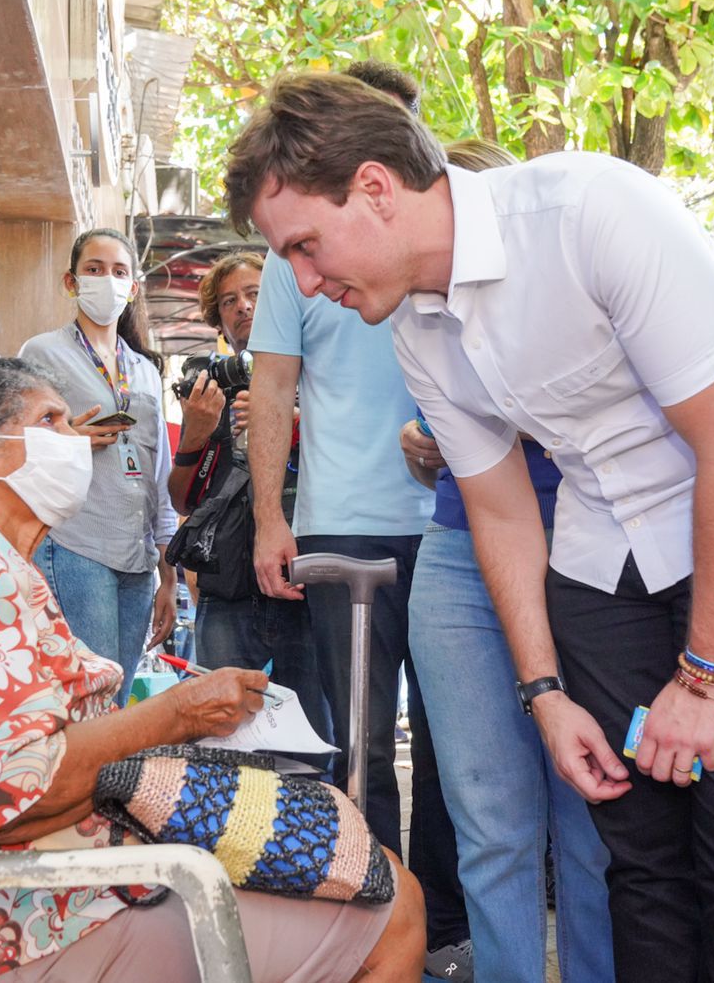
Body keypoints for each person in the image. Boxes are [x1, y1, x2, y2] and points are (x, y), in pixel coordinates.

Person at [228, 71, 714, 982]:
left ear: (374, 187)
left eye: (306, 247)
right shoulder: (417, 329)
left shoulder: (592, 210)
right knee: (634, 843)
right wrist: (546, 695)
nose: (305, 282)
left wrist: (708, 680)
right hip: (607, 547)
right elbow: (502, 507)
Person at [0, 357, 424, 981]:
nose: (75, 439)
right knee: (398, 907)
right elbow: (4, 798)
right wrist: (175, 715)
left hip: (56, 890)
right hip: (24, 924)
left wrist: (180, 722)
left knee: (364, 865)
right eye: (50, 420)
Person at [242, 62, 470, 978]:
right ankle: (374, 923)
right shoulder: (293, 252)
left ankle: (446, 929)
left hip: (459, 520)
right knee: (365, 743)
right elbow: (273, 383)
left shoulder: (454, 241)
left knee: (461, 744)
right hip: (342, 524)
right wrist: (271, 516)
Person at [399, 137, 614, 983]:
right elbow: (473, 453)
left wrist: (487, 426)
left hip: (588, 549)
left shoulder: (576, 270)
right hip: (459, 554)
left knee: (592, 827)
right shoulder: (419, 318)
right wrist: (437, 445)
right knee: (491, 827)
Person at [168, 249, 332, 764]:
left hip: (301, 581)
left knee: (312, 741)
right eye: (230, 302)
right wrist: (196, 432)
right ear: (219, 323)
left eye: (256, 294)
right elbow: (183, 500)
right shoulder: (209, 388)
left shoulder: (323, 378)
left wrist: (291, 418)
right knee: (221, 740)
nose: (244, 308)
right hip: (228, 590)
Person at [20, 229, 178, 702]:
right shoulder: (42, 353)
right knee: (91, 695)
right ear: (71, 282)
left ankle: (104, 777)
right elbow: (15, 443)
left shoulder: (146, 371)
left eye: (118, 272)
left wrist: (168, 575)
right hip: (75, 544)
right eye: (93, 270)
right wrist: (68, 439)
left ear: (132, 289)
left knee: (119, 692)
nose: (106, 281)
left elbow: (160, 478)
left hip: (137, 557)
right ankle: (85, 777)